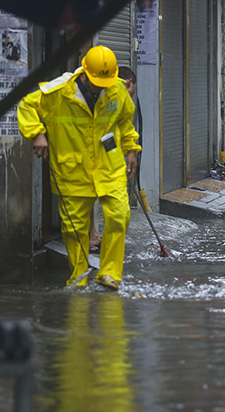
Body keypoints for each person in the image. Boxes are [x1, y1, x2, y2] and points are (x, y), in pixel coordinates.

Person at [18, 45, 141, 291]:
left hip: (110, 165)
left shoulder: (116, 89)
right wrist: (36, 134)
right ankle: (79, 276)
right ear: (84, 72)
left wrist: (131, 149)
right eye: (98, 82)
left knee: (119, 216)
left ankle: (109, 274)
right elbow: (26, 105)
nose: (102, 86)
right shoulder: (59, 92)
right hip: (72, 169)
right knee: (74, 229)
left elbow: (125, 121)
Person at [88, 65, 138, 253]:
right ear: (128, 83)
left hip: (110, 157)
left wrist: (130, 151)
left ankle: (97, 238)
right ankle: (92, 237)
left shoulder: (117, 100)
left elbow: (123, 128)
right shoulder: (105, 94)